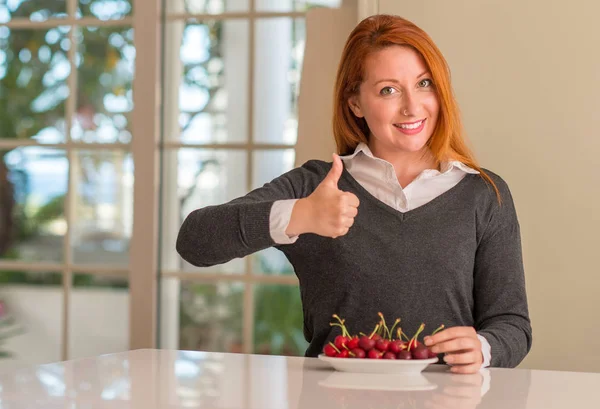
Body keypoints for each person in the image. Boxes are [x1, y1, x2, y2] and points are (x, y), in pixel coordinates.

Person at [176, 14, 532, 374]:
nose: (412, 106)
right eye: (388, 90)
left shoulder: (484, 195)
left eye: (424, 84)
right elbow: (194, 241)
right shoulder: (317, 186)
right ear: (355, 104)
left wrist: (484, 348)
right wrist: (300, 215)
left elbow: (512, 325)